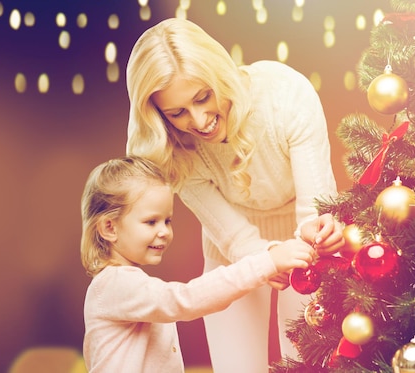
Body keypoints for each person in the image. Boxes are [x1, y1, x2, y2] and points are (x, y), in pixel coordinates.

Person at [125, 18, 345, 372]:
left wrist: (319, 229)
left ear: (220, 76)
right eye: (177, 112)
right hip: (230, 248)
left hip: (302, 238)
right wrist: (264, 256)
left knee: (307, 362)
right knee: (235, 365)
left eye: (203, 97)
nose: (198, 120)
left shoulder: (285, 94)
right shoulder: (170, 147)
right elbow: (233, 235)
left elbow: (314, 210)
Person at [80, 156, 316, 373]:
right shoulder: (114, 285)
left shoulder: (127, 284)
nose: (164, 231)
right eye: (151, 222)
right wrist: (268, 261)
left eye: (167, 220)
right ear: (109, 228)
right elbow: (185, 299)